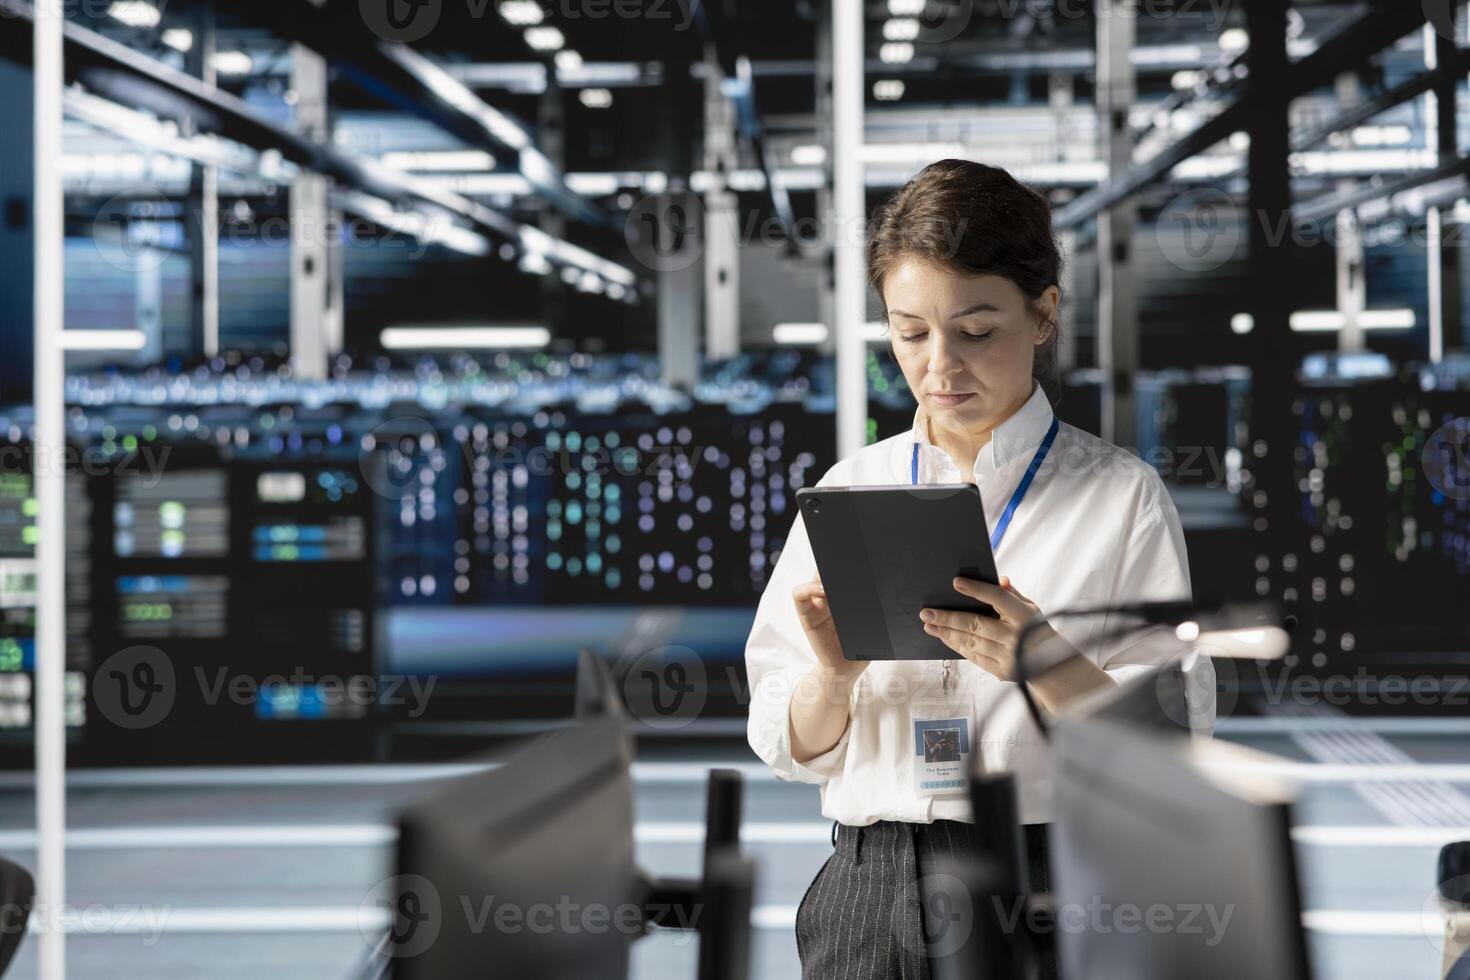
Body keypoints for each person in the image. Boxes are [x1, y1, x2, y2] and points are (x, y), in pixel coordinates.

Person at [744, 159, 1199, 979]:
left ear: (1044, 313)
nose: (939, 367)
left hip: (1045, 883)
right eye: (910, 332)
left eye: (976, 330)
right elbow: (783, 742)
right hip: (866, 893)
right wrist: (833, 679)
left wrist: (1050, 664)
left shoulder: (1120, 496)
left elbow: (1175, 743)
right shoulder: (853, 490)